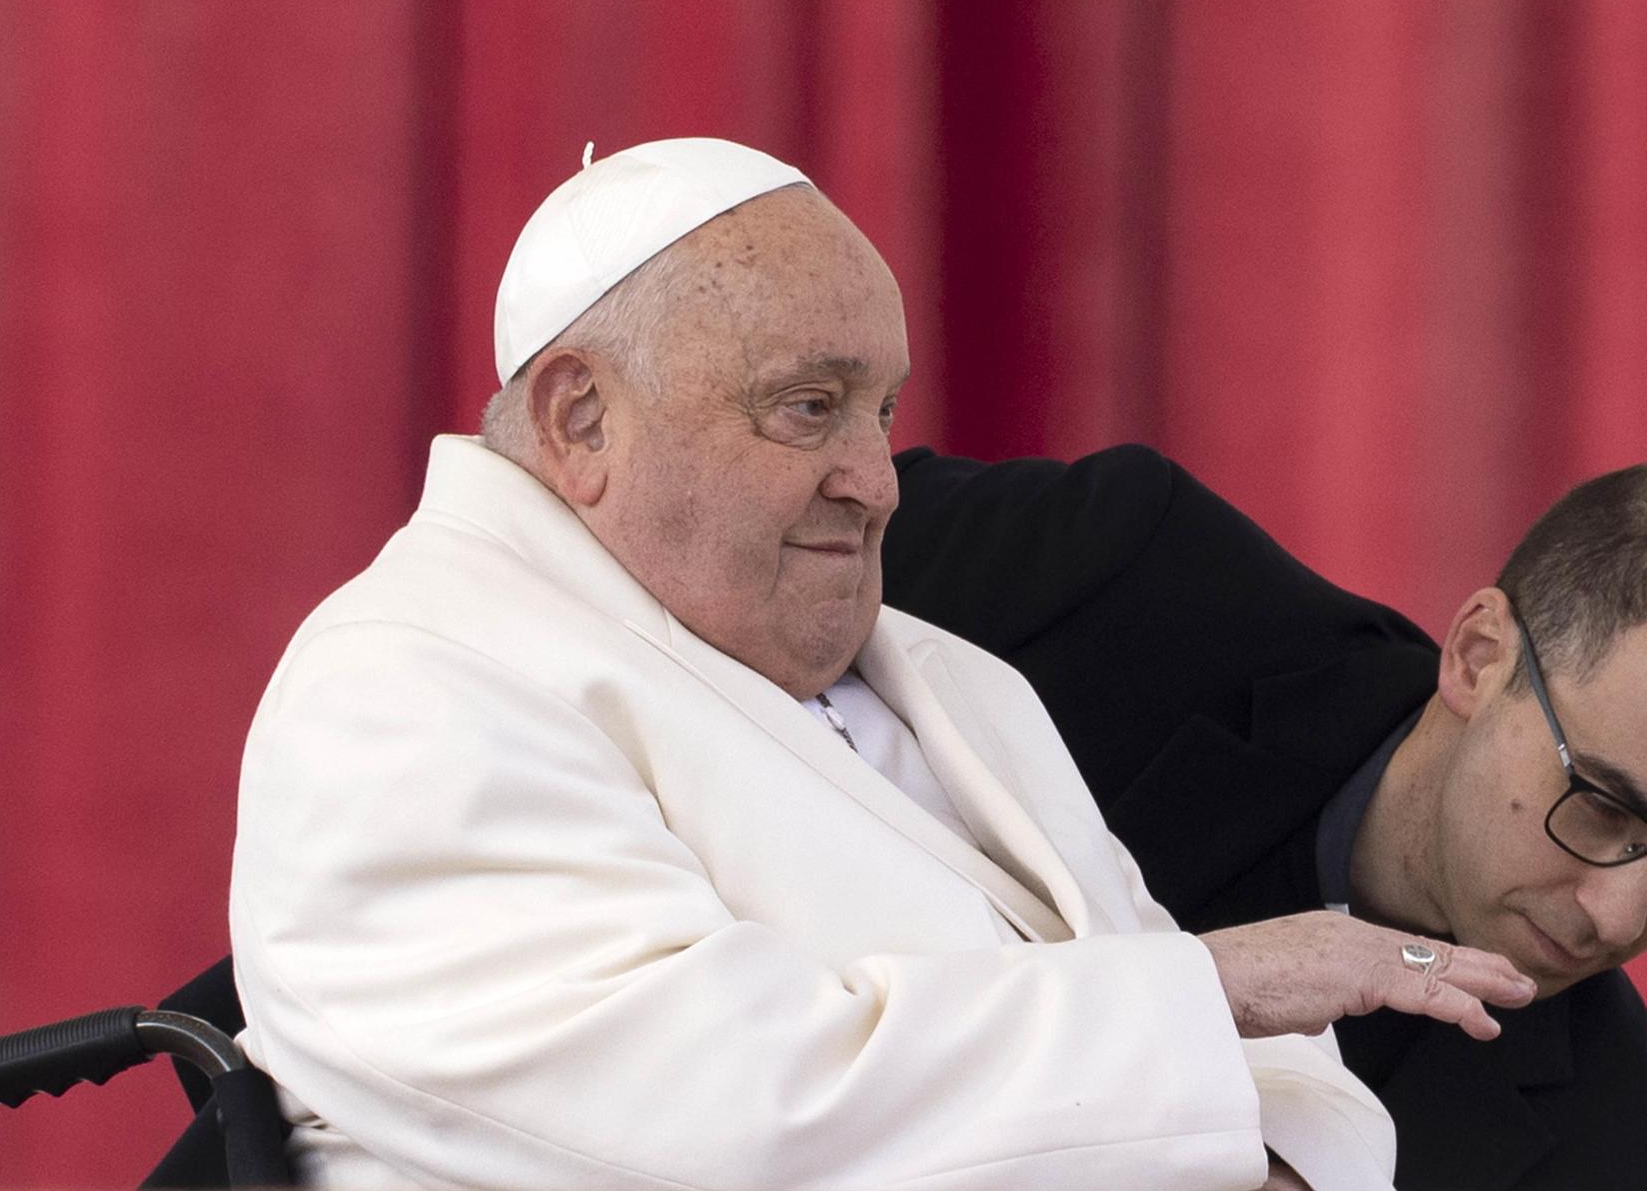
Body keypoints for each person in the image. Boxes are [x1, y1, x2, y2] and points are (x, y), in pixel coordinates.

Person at [228, 139, 1536, 1191]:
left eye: (884, 411)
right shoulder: (404, 684)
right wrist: (1211, 990)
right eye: (809, 405)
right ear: (584, 418)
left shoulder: (955, 681)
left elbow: (1288, 1072)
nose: (874, 481)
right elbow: (722, 1114)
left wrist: (1284, 1159)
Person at [881, 444, 1647, 1191]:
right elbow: (759, 558)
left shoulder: (1613, 1145)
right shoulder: (1128, 575)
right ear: (1478, 658)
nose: (1617, 912)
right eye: (1602, 806)